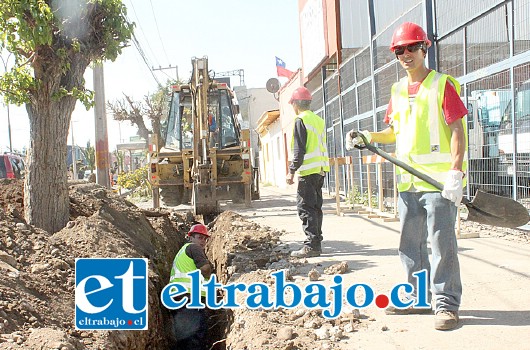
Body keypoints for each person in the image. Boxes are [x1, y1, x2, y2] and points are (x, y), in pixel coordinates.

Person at [346, 22, 468, 331]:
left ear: (424, 49)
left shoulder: (442, 85)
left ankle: (446, 305)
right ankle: (416, 297)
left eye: (412, 47)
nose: (405, 54)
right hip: (408, 184)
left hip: (438, 183)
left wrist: (455, 170)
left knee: (442, 246)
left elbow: (457, 130)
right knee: (410, 246)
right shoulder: (397, 90)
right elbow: (392, 132)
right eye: (399, 50)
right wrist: (368, 135)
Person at [286, 86, 330, 258]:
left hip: (307, 171)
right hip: (320, 170)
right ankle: (316, 242)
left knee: (306, 208)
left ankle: (311, 246)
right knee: (316, 207)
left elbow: (299, 150)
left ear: (296, 104)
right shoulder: (318, 120)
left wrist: (291, 171)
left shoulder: (300, 120)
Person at [168, 223, 213, 349]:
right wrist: (209, 275)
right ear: (191, 237)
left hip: (178, 297)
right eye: (199, 237)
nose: (203, 241)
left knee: (185, 336)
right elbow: (205, 269)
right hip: (189, 297)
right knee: (196, 336)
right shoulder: (194, 248)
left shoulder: (182, 251)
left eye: (205, 238)